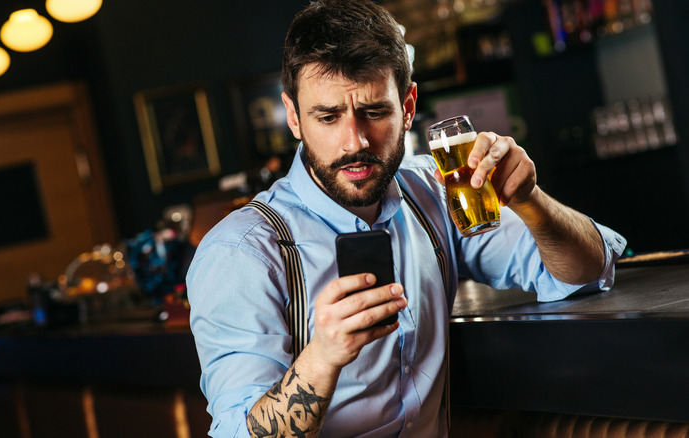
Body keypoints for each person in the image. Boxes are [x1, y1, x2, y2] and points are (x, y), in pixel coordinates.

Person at [187, 0, 627, 436]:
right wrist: (322, 357)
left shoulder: (434, 192)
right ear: (294, 117)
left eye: (374, 112)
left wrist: (531, 200)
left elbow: (585, 272)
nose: (353, 141)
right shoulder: (242, 252)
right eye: (328, 116)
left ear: (409, 105)